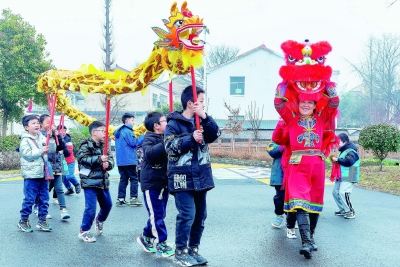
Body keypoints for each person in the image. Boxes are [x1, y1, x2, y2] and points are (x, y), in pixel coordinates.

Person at [165, 85, 220, 266]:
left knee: (200, 215)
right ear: (191, 103)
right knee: (187, 214)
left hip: (201, 176)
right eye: (201, 101)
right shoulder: (173, 123)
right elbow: (169, 148)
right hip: (181, 177)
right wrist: (190, 138)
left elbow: (214, 134)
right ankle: (180, 251)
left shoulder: (203, 121)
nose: (203, 105)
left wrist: (204, 117)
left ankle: (193, 249)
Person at [136, 111, 174, 257]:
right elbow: (150, 154)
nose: (167, 124)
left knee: (159, 214)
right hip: (152, 183)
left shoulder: (165, 137)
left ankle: (145, 237)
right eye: (165, 121)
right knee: (156, 215)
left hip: (163, 182)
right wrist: (166, 141)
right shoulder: (149, 138)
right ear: (156, 126)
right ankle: (161, 244)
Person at [77, 121, 114, 242]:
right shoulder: (85, 145)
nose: (105, 133)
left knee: (107, 205)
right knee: (90, 208)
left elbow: (111, 161)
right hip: (89, 181)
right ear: (94, 132)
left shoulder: (105, 146)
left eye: (105, 131)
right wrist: (99, 159)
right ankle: (84, 231)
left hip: (103, 181)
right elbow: (83, 159)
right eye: (102, 131)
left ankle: (99, 220)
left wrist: (108, 164)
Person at [18, 115, 54, 232]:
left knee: (44, 198)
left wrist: (52, 136)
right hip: (31, 175)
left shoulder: (42, 137)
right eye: (33, 123)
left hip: (43, 173)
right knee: (30, 199)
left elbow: (51, 150)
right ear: (26, 127)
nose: (37, 125)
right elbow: (27, 154)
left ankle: (42, 220)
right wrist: (40, 151)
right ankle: (23, 220)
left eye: (38, 122)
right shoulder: (25, 140)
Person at [39, 114, 71, 220]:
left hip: (57, 166)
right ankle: (41, 208)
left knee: (59, 189)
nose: (51, 125)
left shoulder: (56, 135)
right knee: (44, 189)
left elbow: (63, 149)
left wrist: (58, 136)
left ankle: (63, 210)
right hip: (45, 167)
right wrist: (46, 136)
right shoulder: (39, 135)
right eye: (48, 122)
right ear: (41, 124)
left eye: (52, 123)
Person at [267, 140, 297, 239]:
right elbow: (271, 151)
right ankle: (279, 215)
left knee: (294, 198)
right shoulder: (276, 140)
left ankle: (292, 219)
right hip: (280, 175)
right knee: (280, 197)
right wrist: (285, 145)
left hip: (294, 173)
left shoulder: (296, 138)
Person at [114, 113, 145, 206]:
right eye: (132, 120)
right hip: (129, 159)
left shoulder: (118, 132)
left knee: (123, 179)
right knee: (134, 178)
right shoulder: (128, 131)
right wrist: (142, 136)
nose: (133, 122)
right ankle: (133, 198)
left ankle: (121, 198)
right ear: (127, 121)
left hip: (120, 161)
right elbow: (134, 143)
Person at [331, 133, 360, 219]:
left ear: (344, 142)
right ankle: (343, 209)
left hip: (350, 174)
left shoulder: (351, 150)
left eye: (338, 142)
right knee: (335, 192)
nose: (336, 144)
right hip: (342, 175)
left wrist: (337, 159)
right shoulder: (344, 151)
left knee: (343, 192)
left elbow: (348, 162)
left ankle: (350, 211)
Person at [57, 125, 81, 195]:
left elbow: (68, 152)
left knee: (69, 176)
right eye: (61, 131)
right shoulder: (55, 139)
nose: (63, 132)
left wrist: (62, 147)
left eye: (64, 131)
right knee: (64, 178)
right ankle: (70, 189)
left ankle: (76, 184)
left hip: (70, 161)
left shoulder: (68, 139)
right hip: (63, 162)